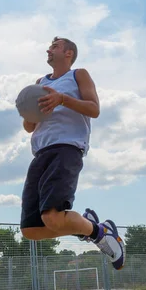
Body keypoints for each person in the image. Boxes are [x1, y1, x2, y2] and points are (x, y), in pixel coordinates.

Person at [19, 36, 125, 270]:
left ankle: (100, 232)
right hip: (40, 154)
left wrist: (63, 99)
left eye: (54, 46)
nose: (48, 49)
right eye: (49, 46)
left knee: (52, 217)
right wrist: (28, 112)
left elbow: (94, 109)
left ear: (68, 53)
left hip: (66, 148)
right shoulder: (39, 82)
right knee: (31, 230)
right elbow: (29, 127)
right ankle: (87, 227)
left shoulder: (78, 75)